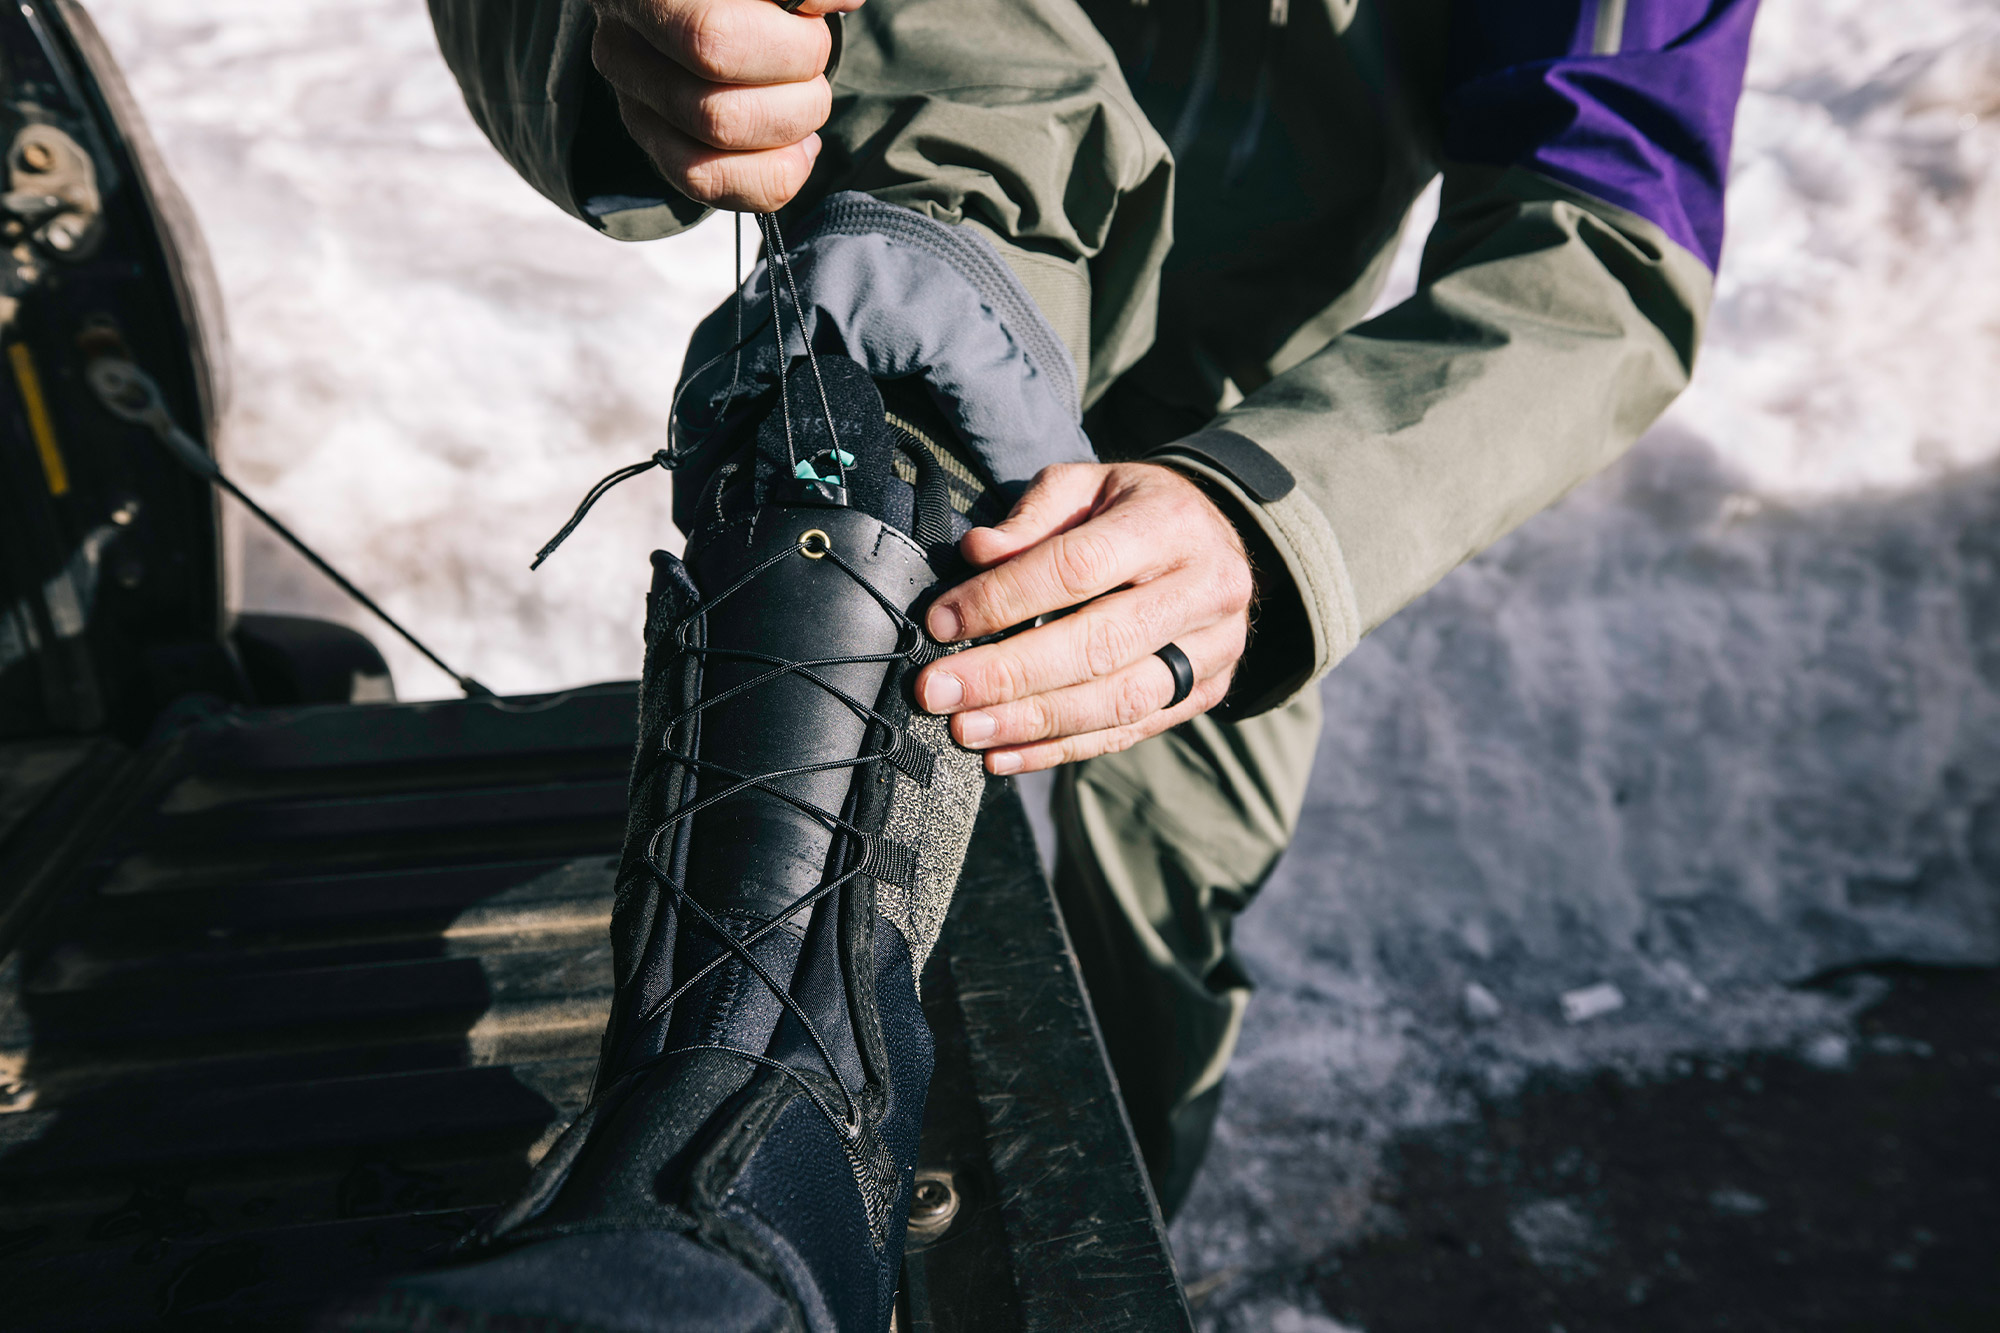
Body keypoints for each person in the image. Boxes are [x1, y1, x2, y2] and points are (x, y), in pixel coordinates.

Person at [386, 0, 1758, 1326]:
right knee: (887, 359)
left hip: (1239, 424)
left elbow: (1602, 230)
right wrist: (612, 33)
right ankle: (730, 1144)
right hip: (918, 246)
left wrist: (1282, 520)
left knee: (1154, 952)